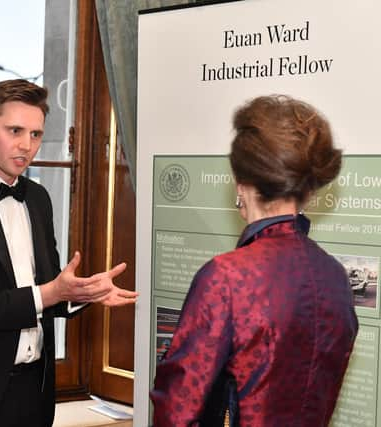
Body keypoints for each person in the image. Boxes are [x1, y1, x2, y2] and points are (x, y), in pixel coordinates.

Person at [0, 79, 138, 427]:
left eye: (36, 134)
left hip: (34, 393)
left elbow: (48, 287)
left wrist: (82, 293)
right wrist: (48, 293)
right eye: (15, 130)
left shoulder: (38, 199)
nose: (26, 145)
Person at [151, 95, 358, 426]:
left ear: (241, 183)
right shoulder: (336, 276)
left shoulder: (226, 277)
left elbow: (178, 410)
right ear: (308, 190)